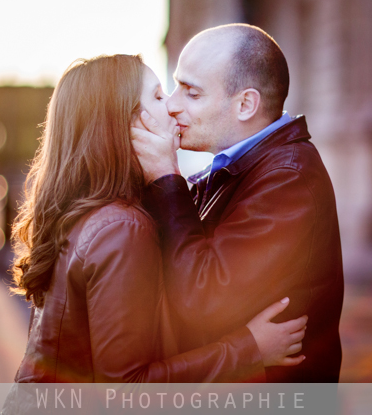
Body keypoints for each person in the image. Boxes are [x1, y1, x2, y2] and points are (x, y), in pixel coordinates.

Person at [7, 54, 307, 384]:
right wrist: (249, 350)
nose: (173, 106)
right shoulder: (121, 228)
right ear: (127, 123)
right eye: (159, 96)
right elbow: (127, 386)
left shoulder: (89, 212)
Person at [132, 24, 344, 382]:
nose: (171, 105)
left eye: (191, 93)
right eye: (175, 86)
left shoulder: (288, 177)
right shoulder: (242, 167)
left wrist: (167, 179)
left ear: (245, 104)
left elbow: (203, 300)